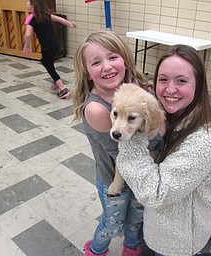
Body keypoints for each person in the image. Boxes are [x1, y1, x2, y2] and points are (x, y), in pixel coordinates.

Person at [116, 45, 211, 256]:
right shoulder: (171, 115)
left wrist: (127, 134)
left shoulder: (205, 140)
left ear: (199, 85)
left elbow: (155, 193)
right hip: (157, 225)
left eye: (181, 81)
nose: (169, 89)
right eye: (163, 79)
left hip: (178, 241)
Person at [72, 30, 151, 256]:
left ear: (125, 60)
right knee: (112, 223)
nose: (107, 66)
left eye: (113, 57)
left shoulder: (134, 88)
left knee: (136, 218)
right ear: (87, 73)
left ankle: (131, 248)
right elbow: (123, 155)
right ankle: (96, 250)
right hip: (112, 181)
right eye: (96, 62)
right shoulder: (96, 109)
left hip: (139, 175)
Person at [23, 0, 76, 99]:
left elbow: (28, 34)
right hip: (55, 45)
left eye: (27, 2)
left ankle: (62, 88)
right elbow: (60, 20)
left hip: (47, 47)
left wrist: (26, 46)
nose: (26, 3)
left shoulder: (31, 18)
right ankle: (56, 82)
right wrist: (69, 24)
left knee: (47, 64)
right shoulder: (46, 15)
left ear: (33, 5)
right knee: (48, 62)